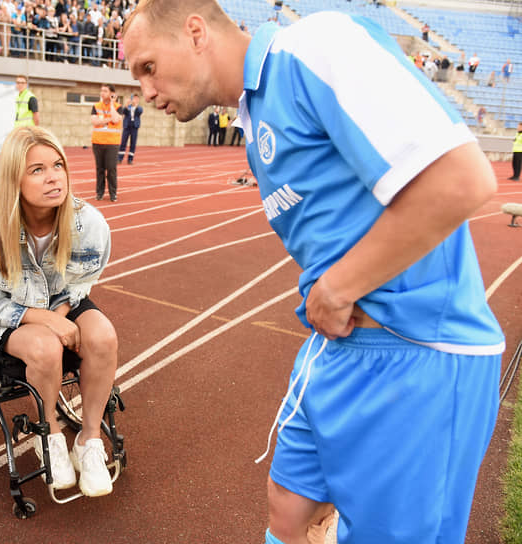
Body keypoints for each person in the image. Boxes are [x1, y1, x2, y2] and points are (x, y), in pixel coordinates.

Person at [122, 3, 504, 544]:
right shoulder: (254, 120)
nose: (145, 91)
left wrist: (339, 287)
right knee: (289, 512)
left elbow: (462, 181)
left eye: (147, 67)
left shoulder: (315, 48)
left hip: (418, 354)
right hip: (336, 352)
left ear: (195, 31)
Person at [0, 125, 117, 497]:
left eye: (57, 165)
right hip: (4, 314)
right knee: (45, 346)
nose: (53, 177)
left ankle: (89, 441)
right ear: (15, 179)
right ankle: (52, 435)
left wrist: (57, 315)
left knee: (103, 335)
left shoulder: (88, 223)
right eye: (37, 170)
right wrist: (38, 319)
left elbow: (81, 285)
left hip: (63, 300)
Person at [91, 84, 123, 202]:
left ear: (111, 93)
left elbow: (115, 119)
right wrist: (107, 120)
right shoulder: (96, 106)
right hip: (97, 142)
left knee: (111, 169)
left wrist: (111, 104)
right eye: (101, 91)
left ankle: (113, 193)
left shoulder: (118, 107)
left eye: (105, 91)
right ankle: (99, 193)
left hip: (112, 143)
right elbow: (94, 121)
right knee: (99, 169)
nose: (102, 93)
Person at [118, 93, 143, 165]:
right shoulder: (128, 107)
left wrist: (135, 105)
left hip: (134, 127)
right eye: (134, 98)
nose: (135, 100)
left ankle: (130, 159)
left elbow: (139, 112)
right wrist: (126, 105)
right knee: (123, 142)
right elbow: (123, 112)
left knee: (133, 143)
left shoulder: (139, 108)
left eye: (136, 98)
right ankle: (119, 158)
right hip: (127, 126)